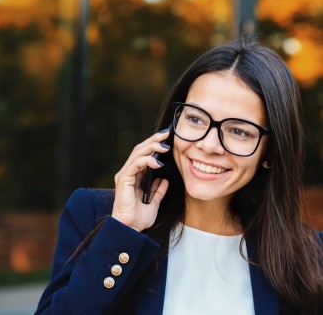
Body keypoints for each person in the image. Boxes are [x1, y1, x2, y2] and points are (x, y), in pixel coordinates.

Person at [36, 40, 323, 315]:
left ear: (270, 153)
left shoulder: (309, 257)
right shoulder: (98, 216)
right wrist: (123, 232)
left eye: (239, 131)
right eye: (196, 118)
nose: (208, 145)